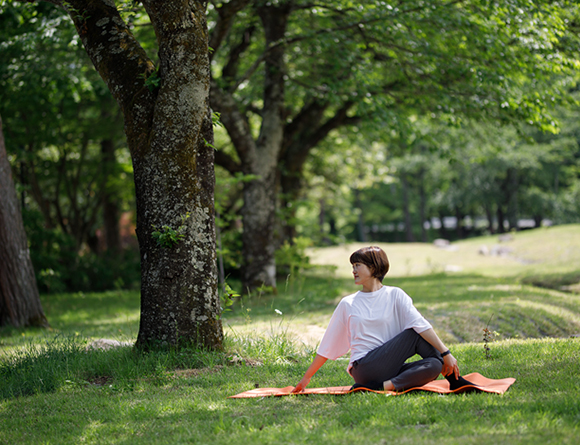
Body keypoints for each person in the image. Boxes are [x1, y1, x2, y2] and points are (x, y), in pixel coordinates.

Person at [292, 246, 475, 393]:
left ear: (373, 268)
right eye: (353, 266)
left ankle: (384, 386)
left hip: (390, 369)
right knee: (415, 333)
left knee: (435, 364)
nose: (353, 270)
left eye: (358, 265)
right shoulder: (348, 303)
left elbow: (422, 325)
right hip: (364, 368)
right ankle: (456, 381)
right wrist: (306, 378)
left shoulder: (395, 295)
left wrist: (444, 355)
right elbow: (327, 345)